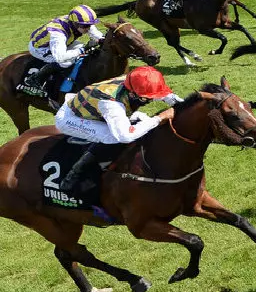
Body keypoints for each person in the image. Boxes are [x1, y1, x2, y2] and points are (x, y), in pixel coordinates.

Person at [52, 66, 182, 202]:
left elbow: (160, 93)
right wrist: (159, 118)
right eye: (146, 99)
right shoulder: (111, 104)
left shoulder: (133, 81)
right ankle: (75, 173)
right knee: (113, 137)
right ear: (132, 94)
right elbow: (125, 136)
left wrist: (186, 103)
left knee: (141, 120)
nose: (150, 100)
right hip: (72, 119)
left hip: (96, 108)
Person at [19, 5, 106, 98]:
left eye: (90, 25)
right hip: (40, 48)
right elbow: (60, 57)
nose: (88, 28)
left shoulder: (80, 23)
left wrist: (102, 39)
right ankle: (35, 78)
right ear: (75, 24)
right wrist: (83, 49)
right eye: (85, 26)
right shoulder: (58, 34)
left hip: (65, 41)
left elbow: (97, 35)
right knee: (66, 62)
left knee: (80, 47)